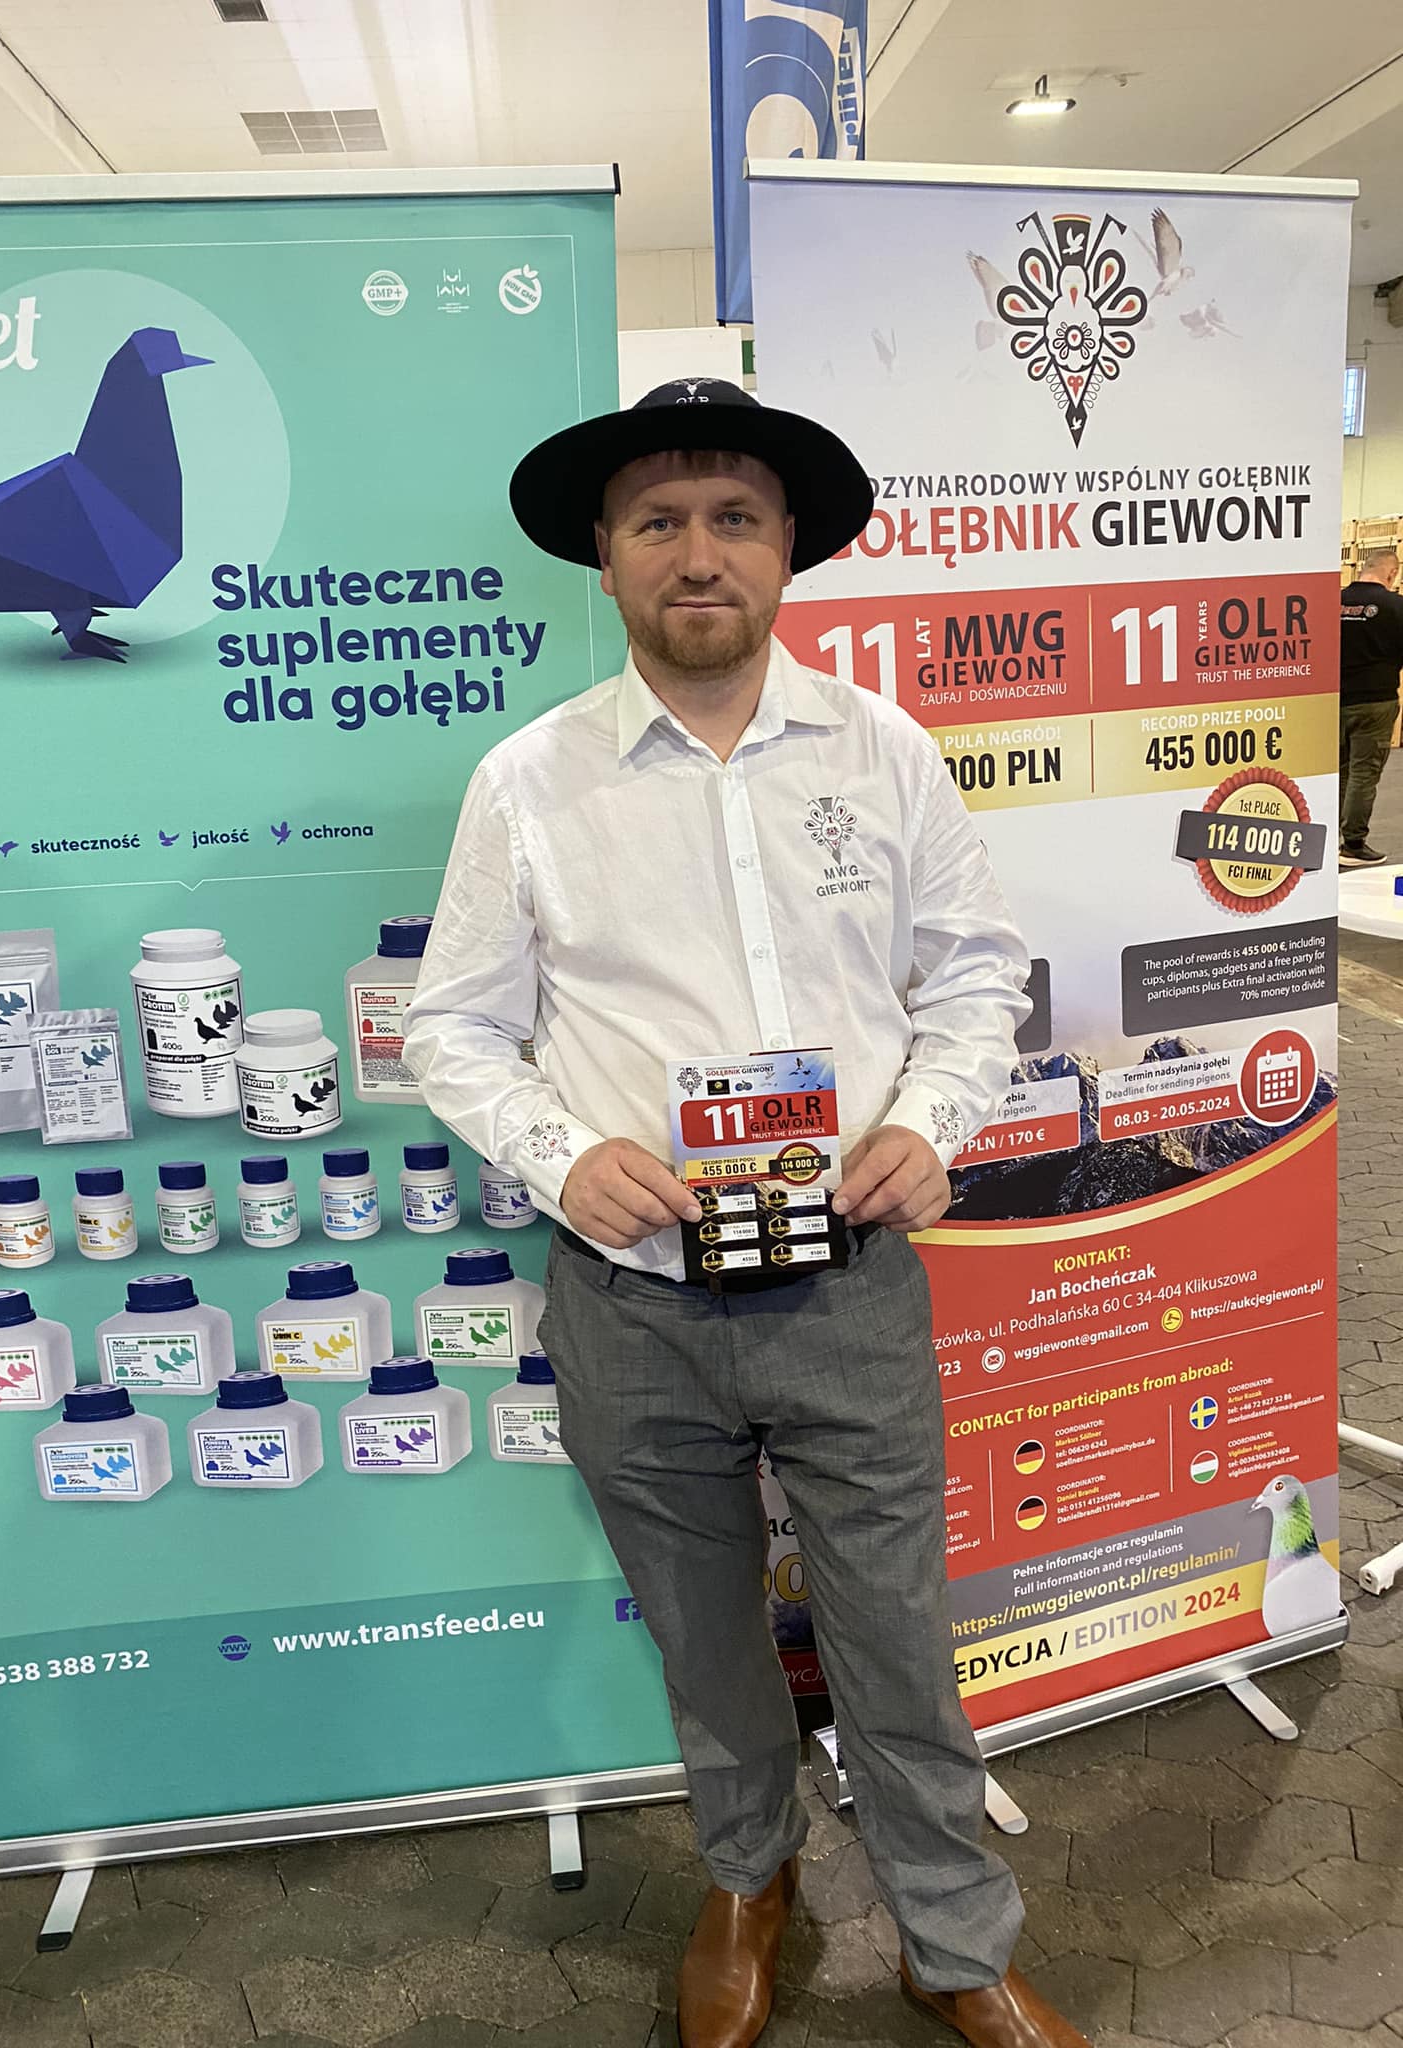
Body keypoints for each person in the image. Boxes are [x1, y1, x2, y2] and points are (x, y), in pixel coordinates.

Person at [405, 379, 1087, 2048]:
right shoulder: (527, 781)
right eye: (658, 521)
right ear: (606, 554)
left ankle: (952, 1935)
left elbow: (977, 974)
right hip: (631, 1297)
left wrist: (930, 1122)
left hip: (848, 1284)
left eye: (732, 518)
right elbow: (452, 1028)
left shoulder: (884, 751)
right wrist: (562, 1151)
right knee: (704, 1632)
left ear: (788, 548)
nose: (695, 553)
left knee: (895, 1629)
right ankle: (747, 1875)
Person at [1339, 548, 1403, 866]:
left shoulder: (1333, 601)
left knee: (1338, 771)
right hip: (1375, 700)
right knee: (1364, 773)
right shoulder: (1396, 607)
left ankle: (1324, 836)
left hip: (1333, 699)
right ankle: (1353, 844)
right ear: (1391, 574)